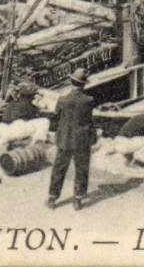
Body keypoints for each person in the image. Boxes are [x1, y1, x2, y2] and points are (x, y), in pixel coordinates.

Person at [46, 69, 96, 211]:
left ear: (71, 82)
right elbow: (90, 120)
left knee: (59, 169)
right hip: (82, 140)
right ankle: (78, 199)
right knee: (81, 169)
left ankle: (52, 198)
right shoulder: (89, 101)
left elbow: (56, 118)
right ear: (83, 84)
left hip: (65, 139)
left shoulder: (62, 100)